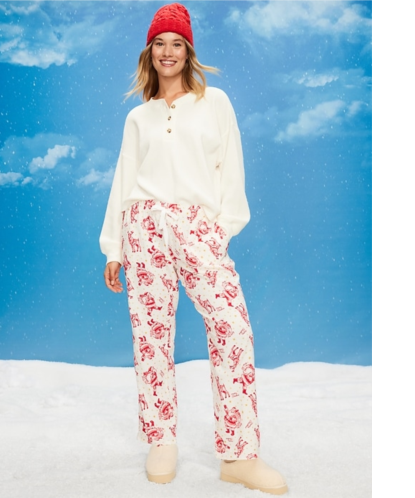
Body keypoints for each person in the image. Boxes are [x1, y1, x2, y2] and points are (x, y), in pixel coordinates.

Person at [100, 3, 288, 495]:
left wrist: (219, 231)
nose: (168, 52)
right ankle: (161, 440)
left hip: (197, 226)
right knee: (150, 336)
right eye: (159, 44)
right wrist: (113, 247)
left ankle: (239, 455)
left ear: (188, 51)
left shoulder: (215, 103)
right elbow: (123, 180)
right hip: (143, 226)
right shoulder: (138, 117)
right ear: (150, 52)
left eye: (176, 44)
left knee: (232, 328)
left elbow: (232, 169)